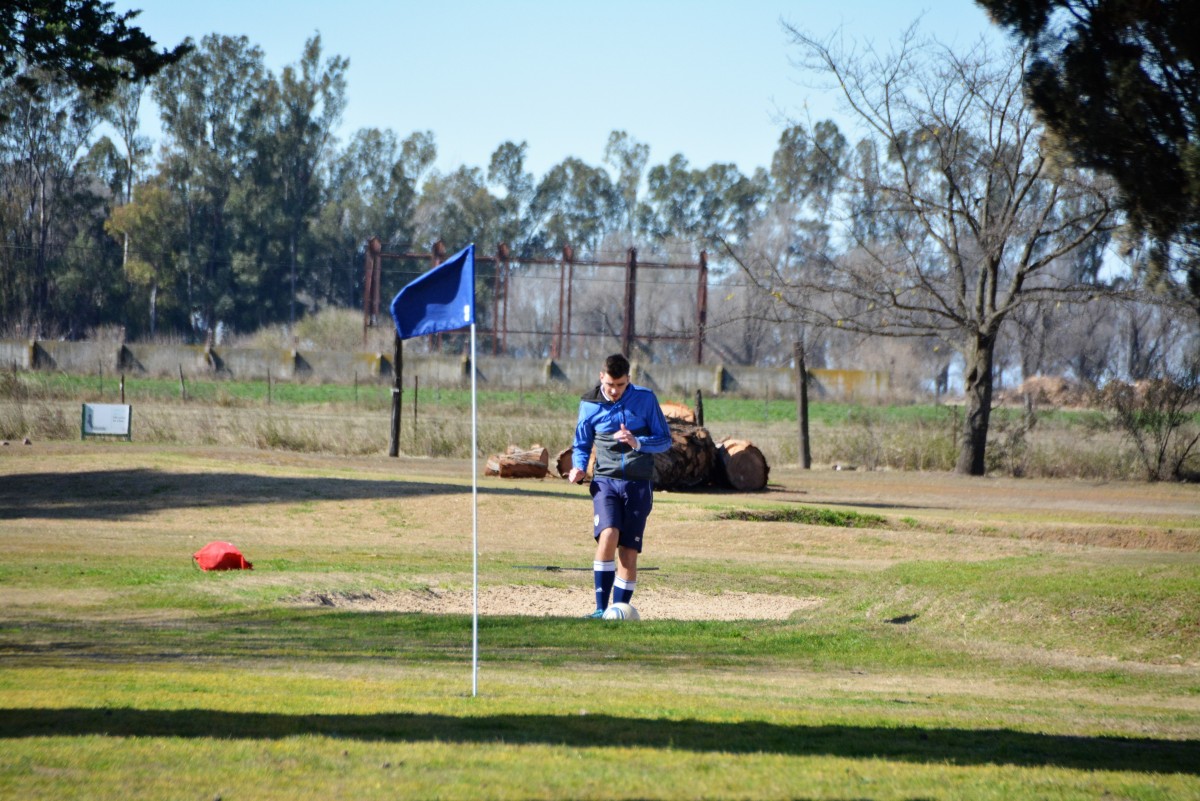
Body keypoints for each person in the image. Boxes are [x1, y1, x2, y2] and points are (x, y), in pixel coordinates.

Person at [568, 353, 671, 618]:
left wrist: (638, 442)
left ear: (629, 380)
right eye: (610, 384)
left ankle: (619, 609)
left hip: (639, 483)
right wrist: (578, 467)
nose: (615, 391)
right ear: (601, 376)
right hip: (605, 481)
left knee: (628, 550)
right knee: (609, 533)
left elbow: (664, 439)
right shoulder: (589, 404)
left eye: (621, 385)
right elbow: (581, 444)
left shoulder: (645, 399)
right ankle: (601, 609)